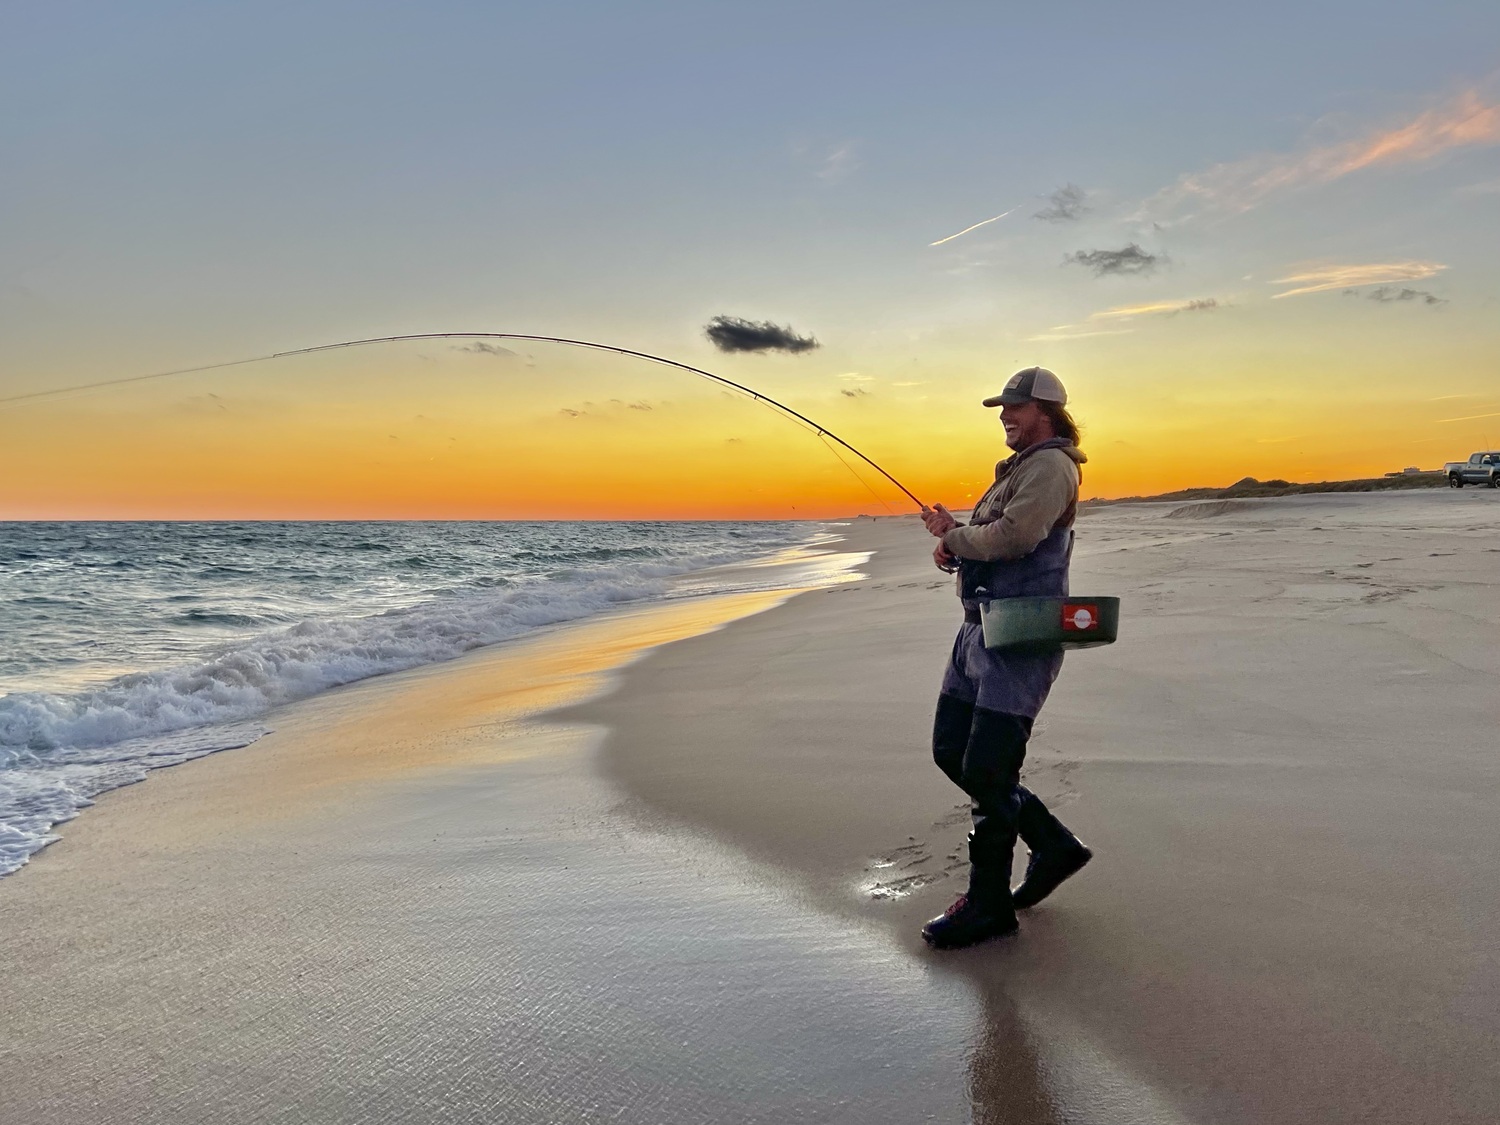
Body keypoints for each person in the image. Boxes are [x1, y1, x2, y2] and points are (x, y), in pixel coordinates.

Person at [918, 366, 1093, 949]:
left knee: (990, 770)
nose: (1004, 417)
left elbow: (1017, 537)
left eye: (1014, 408)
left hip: (1019, 637)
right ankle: (1053, 844)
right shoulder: (1019, 470)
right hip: (979, 632)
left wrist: (956, 540)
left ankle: (989, 905)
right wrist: (954, 538)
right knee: (952, 752)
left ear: (1045, 410)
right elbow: (994, 538)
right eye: (1002, 408)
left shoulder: (1050, 465)